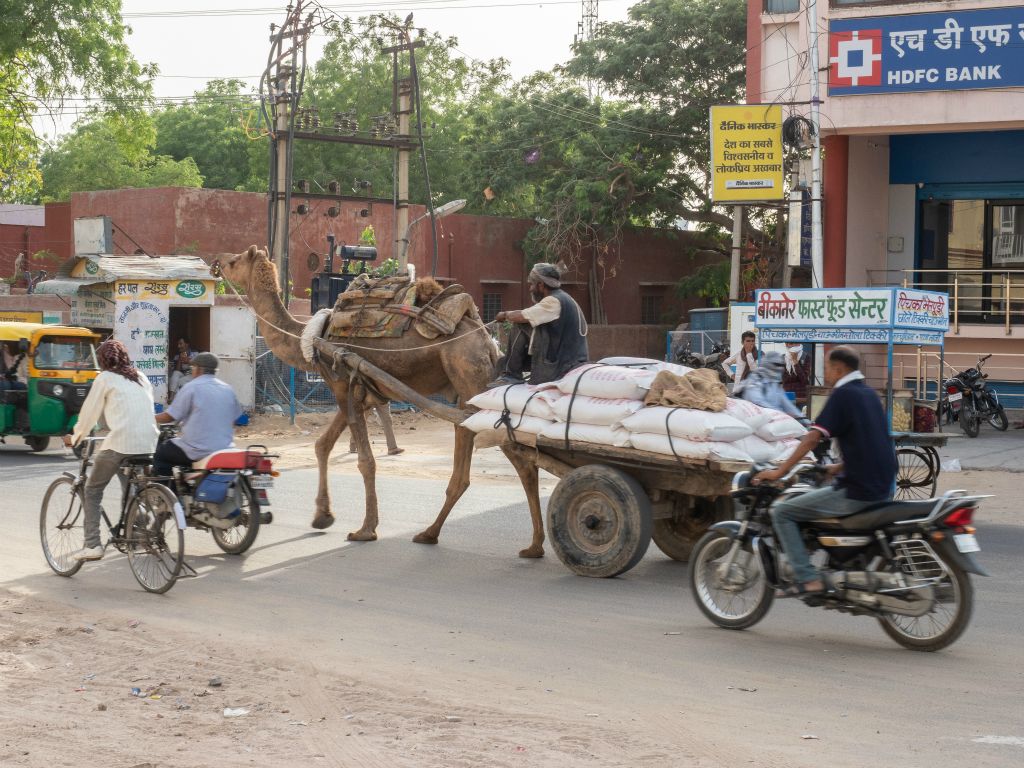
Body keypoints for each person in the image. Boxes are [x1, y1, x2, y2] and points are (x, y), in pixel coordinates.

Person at [754, 346, 897, 598]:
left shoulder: (843, 394)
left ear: (839, 369)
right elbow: (870, 443)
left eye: (828, 368)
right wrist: (837, 467)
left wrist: (779, 472)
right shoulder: (869, 394)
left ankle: (808, 578)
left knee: (783, 511)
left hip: (857, 489)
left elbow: (812, 438)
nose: (826, 373)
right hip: (882, 485)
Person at [66, 340, 159, 562]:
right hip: (149, 444)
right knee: (132, 486)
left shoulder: (105, 378)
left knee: (92, 490)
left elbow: (89, 414)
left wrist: (76, 436)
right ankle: (135, 528)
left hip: (121, 442)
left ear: (103, 361)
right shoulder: (141, 378)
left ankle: (92, 546)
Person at [488, 263, 589, 387]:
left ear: (541, 285)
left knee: (520, 324)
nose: (530, 289)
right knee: (502, 363)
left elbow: (522, 316)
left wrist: (504, 314)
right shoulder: (564, 298)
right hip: (565, 360)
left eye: (532, 284)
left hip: (562, 365)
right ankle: (509, 371)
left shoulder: (554, 301)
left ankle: (512, 375)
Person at [154, 352, 242, 478]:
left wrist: (150, 417)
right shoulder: (228, 389)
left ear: (198, 369)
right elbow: (234, 420)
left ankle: (169, 495)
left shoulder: (191, 387)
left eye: (192, 368)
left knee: (161, 455)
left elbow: (170, 416)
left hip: (196, 450)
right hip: (225, 448)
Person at [737, 351, 804, 421]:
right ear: (768, 364)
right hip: (757, 421)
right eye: (777, 365)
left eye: (781, 365)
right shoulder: (755, 379)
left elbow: (787, 404)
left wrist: (802, 419)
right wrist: (782, 414)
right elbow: (758, 401)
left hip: (777, 421)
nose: (780, 368)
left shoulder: (775, 383)